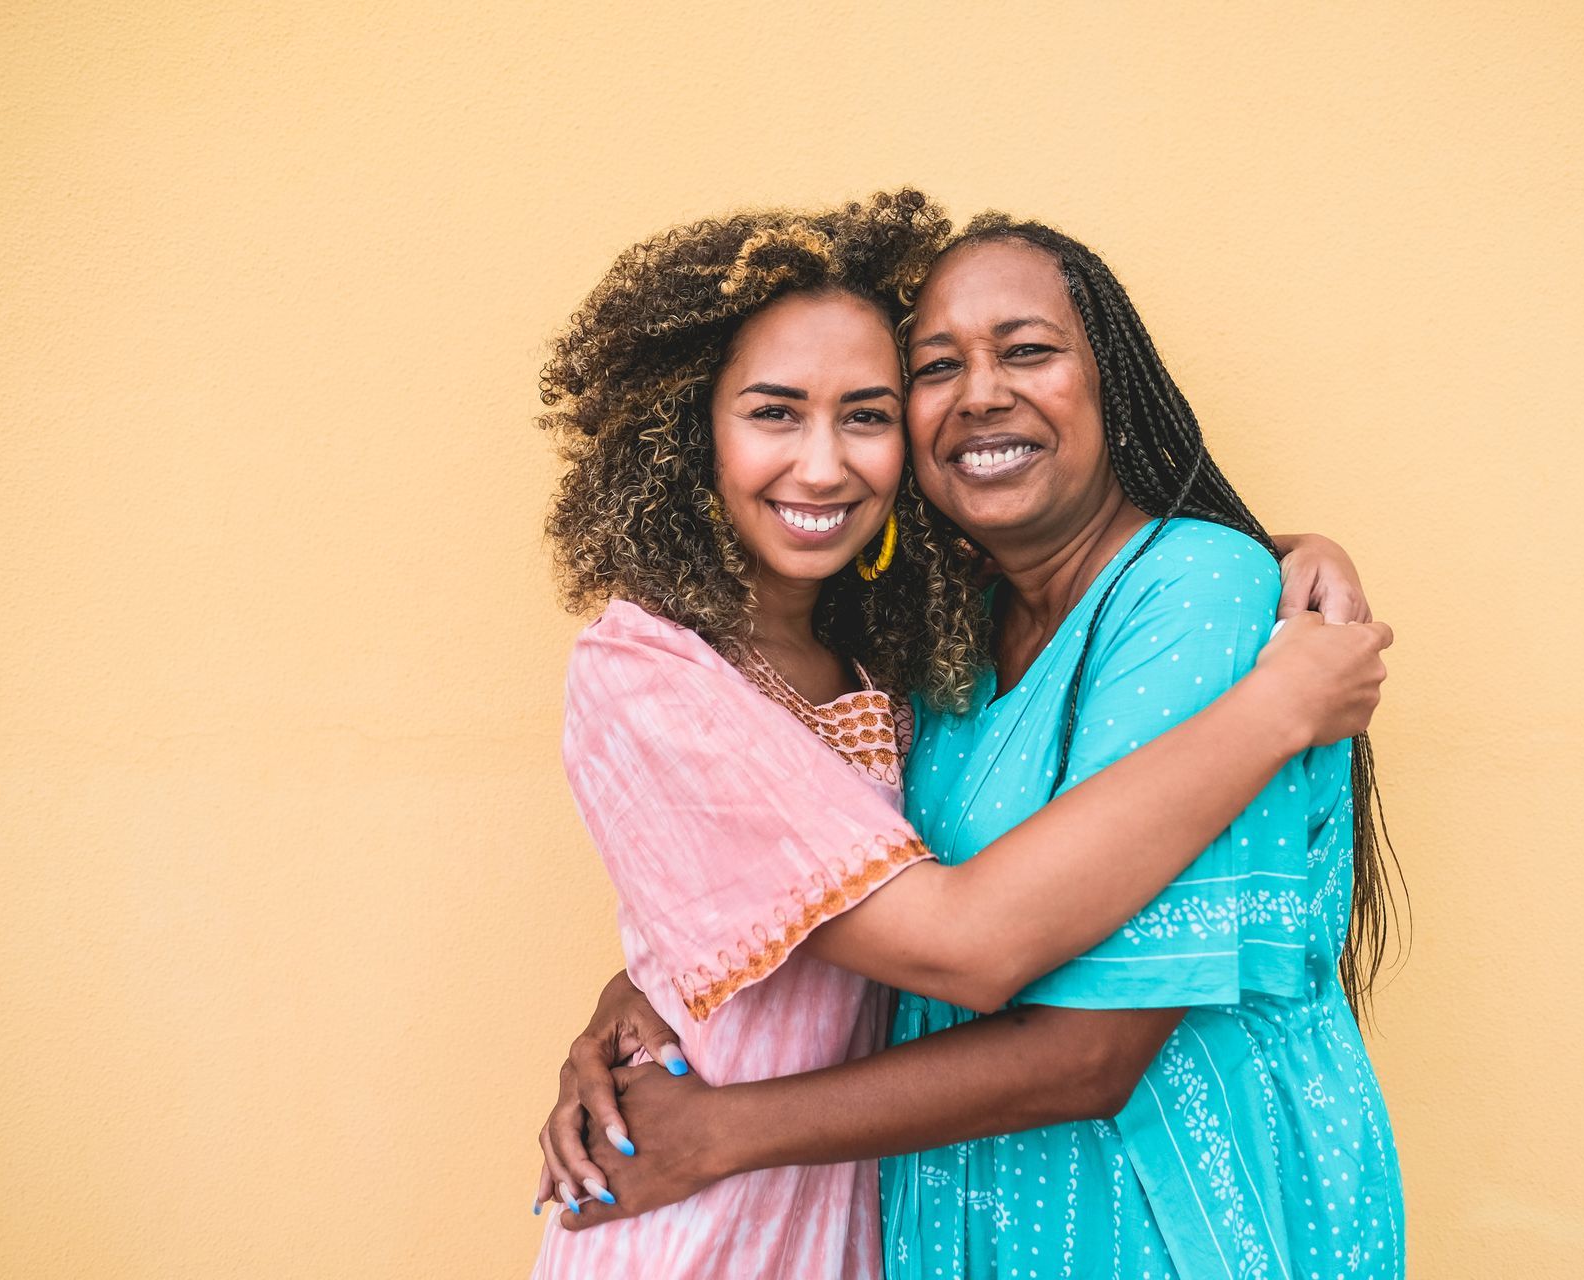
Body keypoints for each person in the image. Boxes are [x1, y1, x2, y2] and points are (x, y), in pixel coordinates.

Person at [533, 193, 1399, 1280]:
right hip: (801, 1222)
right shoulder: (831, 653)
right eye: (936, 368)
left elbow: (1083, 1045)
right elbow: (901, 916)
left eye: (864, 411)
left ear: (1112, 381)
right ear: (688, 436)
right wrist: (643, 990)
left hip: (1146, 1219)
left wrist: (1257, 567)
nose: (822, 463)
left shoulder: (980, 629)